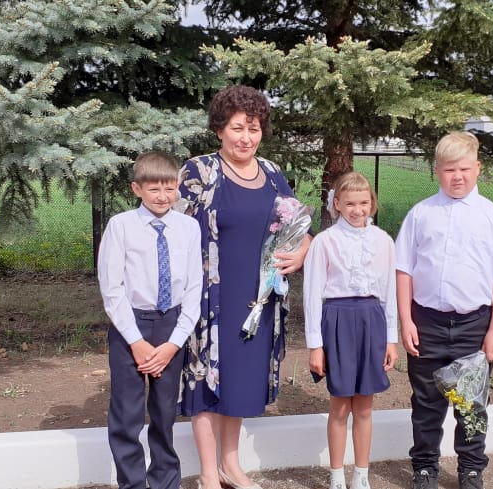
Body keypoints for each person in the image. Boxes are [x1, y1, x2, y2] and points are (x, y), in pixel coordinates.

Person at [177, 84, 312, 489]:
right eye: (237, 128)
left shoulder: (272, 173)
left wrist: (302, 252)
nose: (246, 138)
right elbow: (172, 228)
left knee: (236, 380)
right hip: (211, 297)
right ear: (220, 129)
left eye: (253, 129)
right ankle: (208, 474)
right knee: (207, 379)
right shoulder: (199, 171)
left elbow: (299, 226)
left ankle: (230, 466)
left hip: (257, 298)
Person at [395, 132, 493, 489]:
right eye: (449, 169)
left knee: (470, 403)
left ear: (478, 168)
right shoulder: (421, 215)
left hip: (474, 326)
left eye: (465, 169)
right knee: (427, 403)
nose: (458, 176)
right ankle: (425, 467)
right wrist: (406, 320)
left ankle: (471, 469)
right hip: (427, 324)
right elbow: (404, 270)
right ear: (436, 171)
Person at [97, 152, 203, 489]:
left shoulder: (188, 227)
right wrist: (136, 341)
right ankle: (132, 483)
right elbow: (112, 288)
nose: (162, 196)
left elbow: (194, 288)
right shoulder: (121, 226)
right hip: (130, 327)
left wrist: (174, 344)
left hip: (171, 327)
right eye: (154, 189)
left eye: (169, 189)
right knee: (127, 414)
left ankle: (165, 481)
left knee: (164, 412)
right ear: (137, 189)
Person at [303, 172, 399, 489]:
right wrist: (315, 345)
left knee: (365, 405)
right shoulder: (325, 242)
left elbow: (389, 292)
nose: (358, 210)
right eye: (350, 204)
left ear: (372, 203)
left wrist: (391, 339)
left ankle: (361, 474)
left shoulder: (383, 241)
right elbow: (312, 294)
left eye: (363, 203)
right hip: (338, 320)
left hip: (372, 321)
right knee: (340, 404)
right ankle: (336, 476)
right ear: (337, 205)